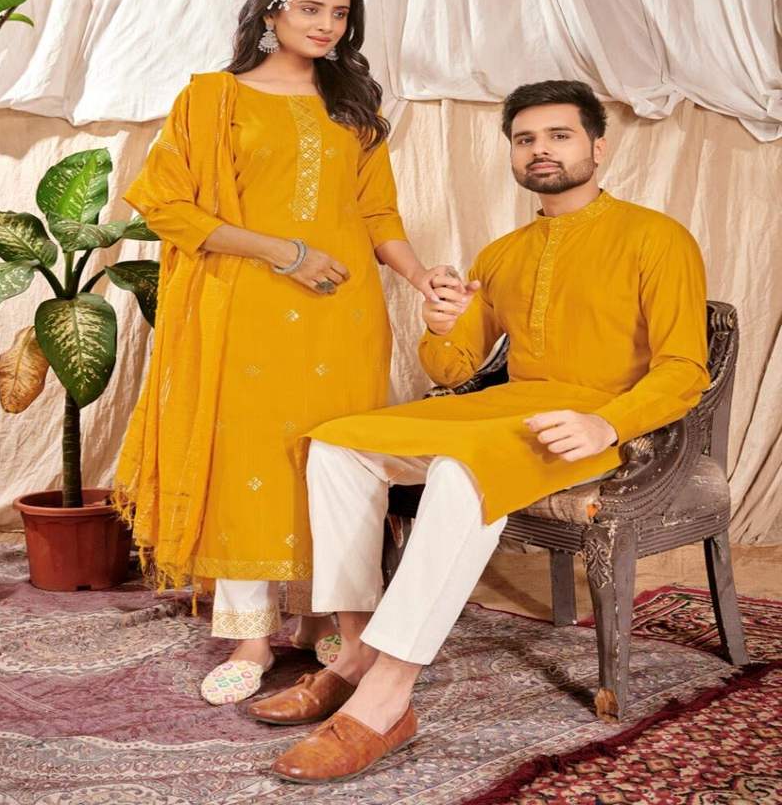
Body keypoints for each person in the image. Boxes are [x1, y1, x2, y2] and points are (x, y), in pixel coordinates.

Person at [248, 79, 711, 783]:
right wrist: (440, 324)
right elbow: (455, 367)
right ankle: (356, 651)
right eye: (525, 139)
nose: (540, 150)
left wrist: (606, 422)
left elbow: (684, 370)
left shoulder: (658, 238)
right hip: (507, 409)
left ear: (598, 147)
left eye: (559, 135)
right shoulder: (501, 252)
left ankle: (385, 699)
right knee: (336, 441)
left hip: (591, 424)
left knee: (462, 469)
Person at [114, 0, 455, 707]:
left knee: (335, 462)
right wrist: (283, 252)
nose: (326, 25)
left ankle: (326, 618)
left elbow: (377, 213)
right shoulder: (213, 98)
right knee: (251, 460)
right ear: (270, 14)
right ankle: (249, 637)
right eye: (310, 8)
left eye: (339, 13)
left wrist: (417, 275)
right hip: (247, 308)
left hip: (343, 315)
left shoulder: (353, 106)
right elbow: (166, 205)